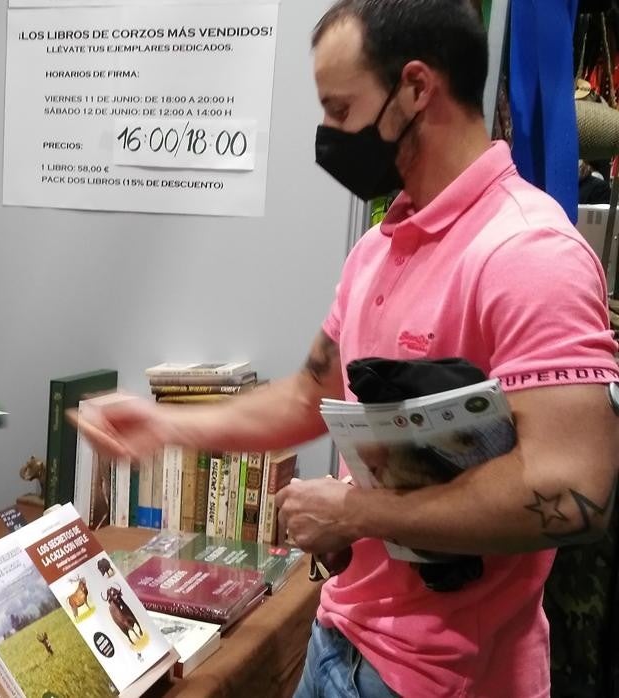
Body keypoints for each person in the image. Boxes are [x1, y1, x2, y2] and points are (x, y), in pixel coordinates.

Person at [76, 2, 619, 696]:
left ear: (417, 89)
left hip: (448, 678)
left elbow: (574, 492)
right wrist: (166, 425)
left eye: (339, 109)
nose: (329, 135)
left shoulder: (529, 255)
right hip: (342, 642)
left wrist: (357, 514)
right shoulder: (378, 248)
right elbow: (309, 396)